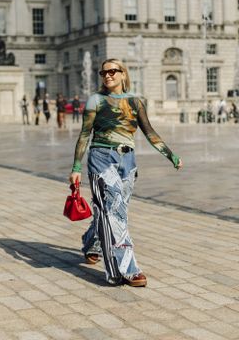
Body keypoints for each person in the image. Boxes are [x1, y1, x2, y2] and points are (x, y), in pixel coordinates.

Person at [69, 58, 182, 288]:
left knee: (112, 210)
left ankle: (91, 242)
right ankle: (127, 269)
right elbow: (84, 135)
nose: (108, 75)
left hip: (128, 161)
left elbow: (149, 131)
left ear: (123, 74)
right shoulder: (95, 101)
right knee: (115, 213)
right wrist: (76, 167)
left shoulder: (134, 102)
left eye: (112, 71)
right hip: (101, 158)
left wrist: (170, 155)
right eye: (103, 72)